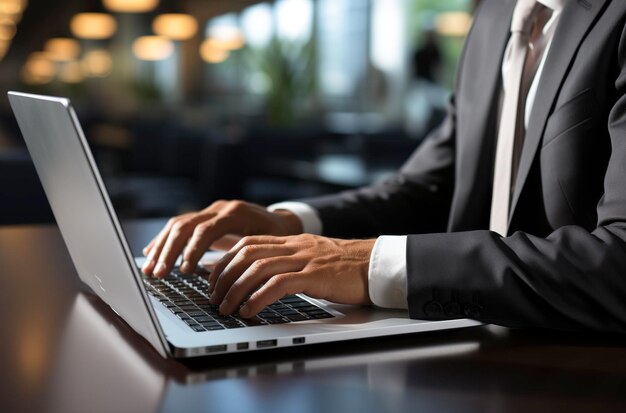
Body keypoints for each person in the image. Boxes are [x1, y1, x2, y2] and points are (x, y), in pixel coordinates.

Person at [143, 0, 626, 333]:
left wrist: (373, 263)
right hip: (470, 343)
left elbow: (618, 263)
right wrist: (289, 221)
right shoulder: (496, 16)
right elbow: (429, 186)